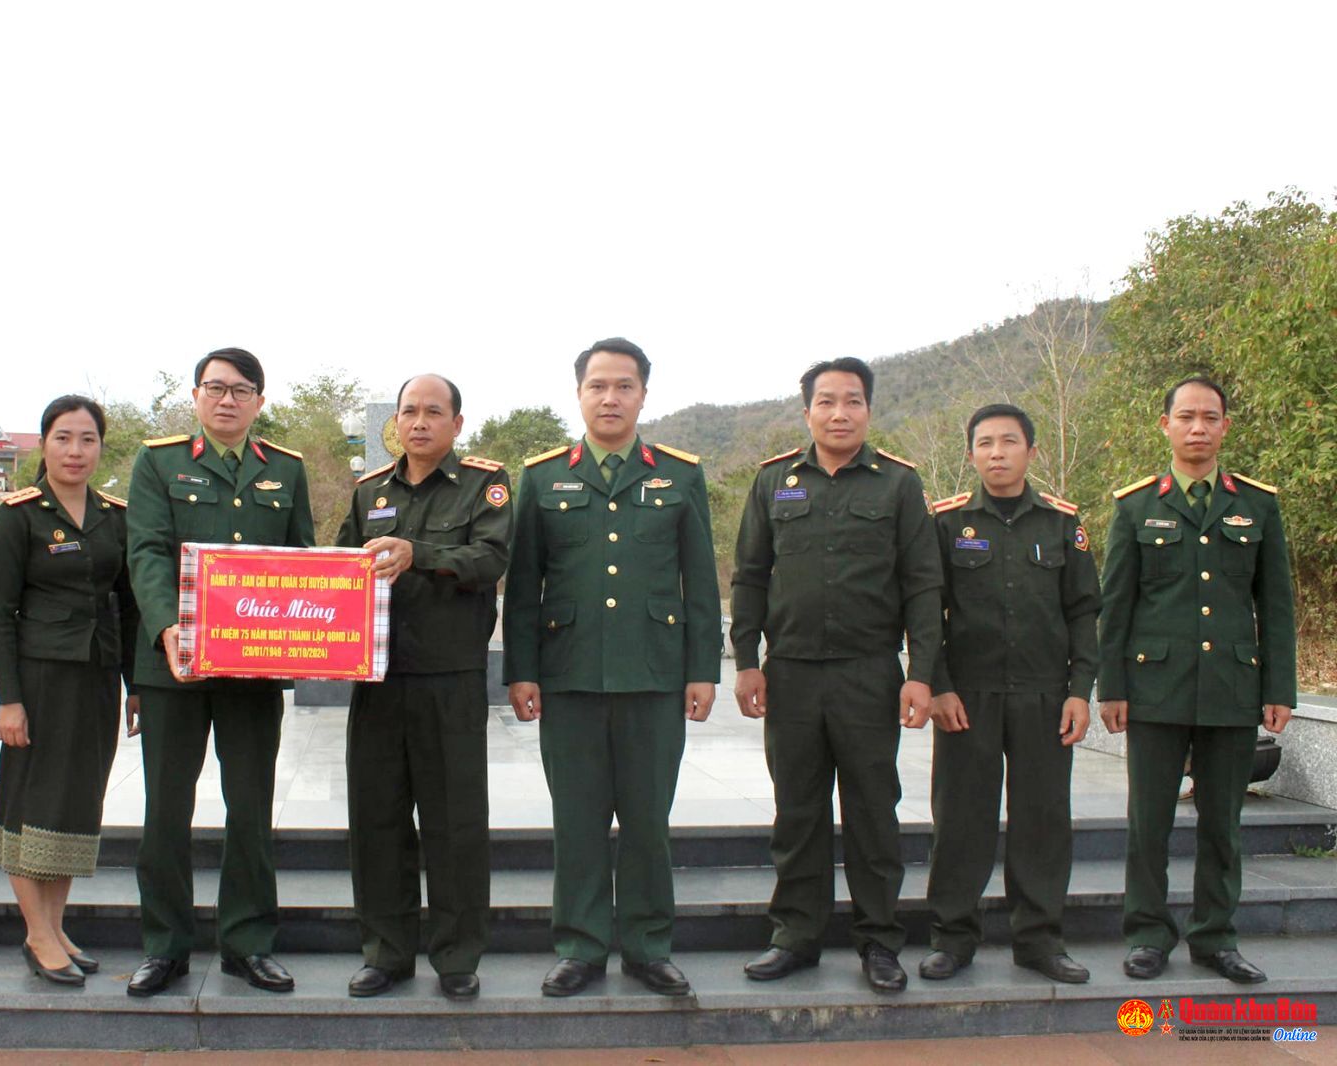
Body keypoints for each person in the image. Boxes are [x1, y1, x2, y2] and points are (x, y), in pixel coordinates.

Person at [503, 337, 722, 998]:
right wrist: (521, 670)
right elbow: (524, 584)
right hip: (569, 675)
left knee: (649, 822)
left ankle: (649, 946)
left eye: (624, 386)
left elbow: (701, 580)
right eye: (597, 385)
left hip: (654, 675)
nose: (610, 397)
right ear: (579, 394)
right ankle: (580, 946)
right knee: (577, 822)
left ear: (643, 395)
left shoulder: (679, 475)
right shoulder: (544, 477)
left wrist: (703, 669)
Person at [730, 356, 941, 994]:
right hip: (791, 673)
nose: (839, 413)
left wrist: (920, 673)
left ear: (869, 410)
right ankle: (796, 937)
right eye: (826, 401)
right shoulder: (774, 481)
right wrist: (746, 661)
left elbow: (923, 584)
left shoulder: (898, 484)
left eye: (852, 401)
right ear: (807, 412)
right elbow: (750, 576)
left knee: (874, 812)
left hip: (868, 672)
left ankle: (879, 941)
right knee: (797, 811)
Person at [123, 347, 315, 997]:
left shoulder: (285, 470)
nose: (227, 399)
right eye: (215, 387)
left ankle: (248, 943)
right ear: (196, 396)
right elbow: (146, 551)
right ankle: (165, 947)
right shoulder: (159, 462)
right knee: (165, 812)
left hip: (253, 670)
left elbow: (300, 561)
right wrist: (165, 625)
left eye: (240, 390)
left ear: (259, 401)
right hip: (172, 664)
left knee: (251, 810)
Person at [1097, 375, 1295, 985]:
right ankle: (1147, 935)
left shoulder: (1257, 505)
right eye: (1186, 417)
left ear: (1225, 427)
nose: (1198, 428)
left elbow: (1276, 603)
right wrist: (1113, 687)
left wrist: (1279, 689)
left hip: (1232, 687)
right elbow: (1116, 605)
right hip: (1154, 688)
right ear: (1166, 425)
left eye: (1210, 418)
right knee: (1148, 823)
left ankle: (1215, 938)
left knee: (1222, 826)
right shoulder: (1136, 506)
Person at [336, 374, 512, 1001]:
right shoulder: (369, 492)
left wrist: (420, 553)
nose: (418, 422)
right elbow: (340, 571)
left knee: (454, 823)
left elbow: (490, 559)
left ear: (456, 424)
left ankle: (457, 955)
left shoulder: (485, 486)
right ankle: (385, 953)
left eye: (433, 412)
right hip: (378, 680)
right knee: (376, 821)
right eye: (409, 411)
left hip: (449, 679)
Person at [919, 403, 1099, 985]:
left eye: (1009, 441)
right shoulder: (946, 523)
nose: (997, 453)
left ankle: (1040, 941)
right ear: (970, 453)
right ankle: (952, 938)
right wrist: (938, 686)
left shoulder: (1062, 523)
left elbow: (1083, 611)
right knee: (960, 821)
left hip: (1045, 696)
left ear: (1031, 451)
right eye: (985, 443)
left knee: (1043, 822)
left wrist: (1080, 691)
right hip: (968, 697)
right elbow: (926, 612)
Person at [0, 395, 140, 986]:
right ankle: (37, 934)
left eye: (87, 439)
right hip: (40, 679)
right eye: (63, 438)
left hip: (96, 675)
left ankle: (54, 926)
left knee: (76, 802)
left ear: (101, 447)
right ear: (45, 444)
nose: (75, 451)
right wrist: (9, 699)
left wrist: (134, 684)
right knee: (32, 802)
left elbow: (127, 606)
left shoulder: (114, 516)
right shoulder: (19, 516)